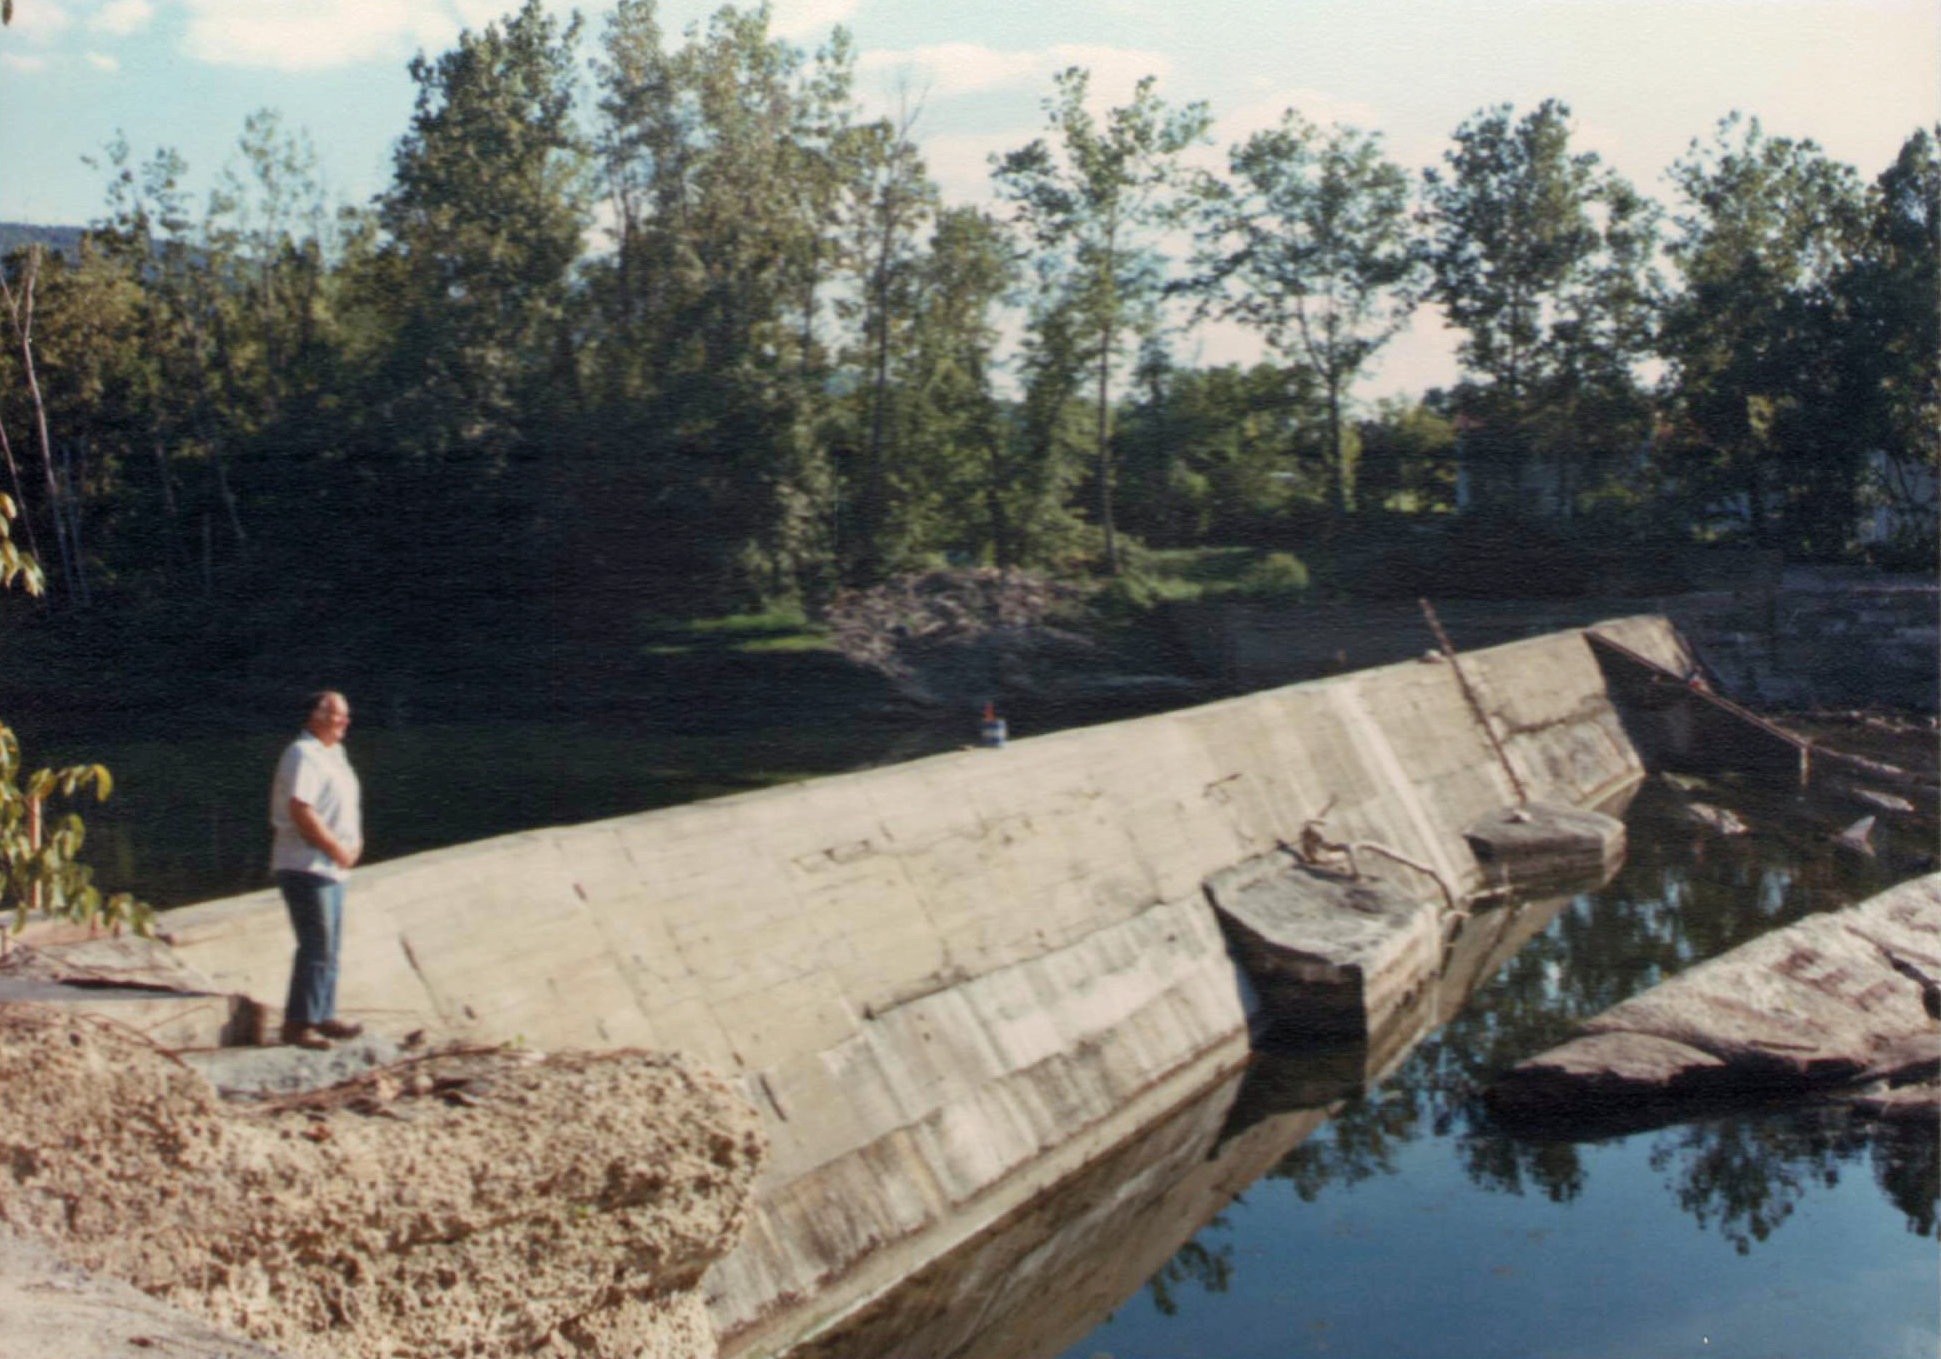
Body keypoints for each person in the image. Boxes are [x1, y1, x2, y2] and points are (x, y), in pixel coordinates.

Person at [269, 690, 365, 1050]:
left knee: (330, 945)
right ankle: (299, 1024)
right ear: (314, 716)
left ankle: (324, 1013)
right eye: (338, 714)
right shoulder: (302, 754)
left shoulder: (333, 754)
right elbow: (301, 809)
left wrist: (351, 845)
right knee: (316, 943)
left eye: (346, 715)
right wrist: (336, 847)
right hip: (306, 864)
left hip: (332, 867)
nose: (345, 721)